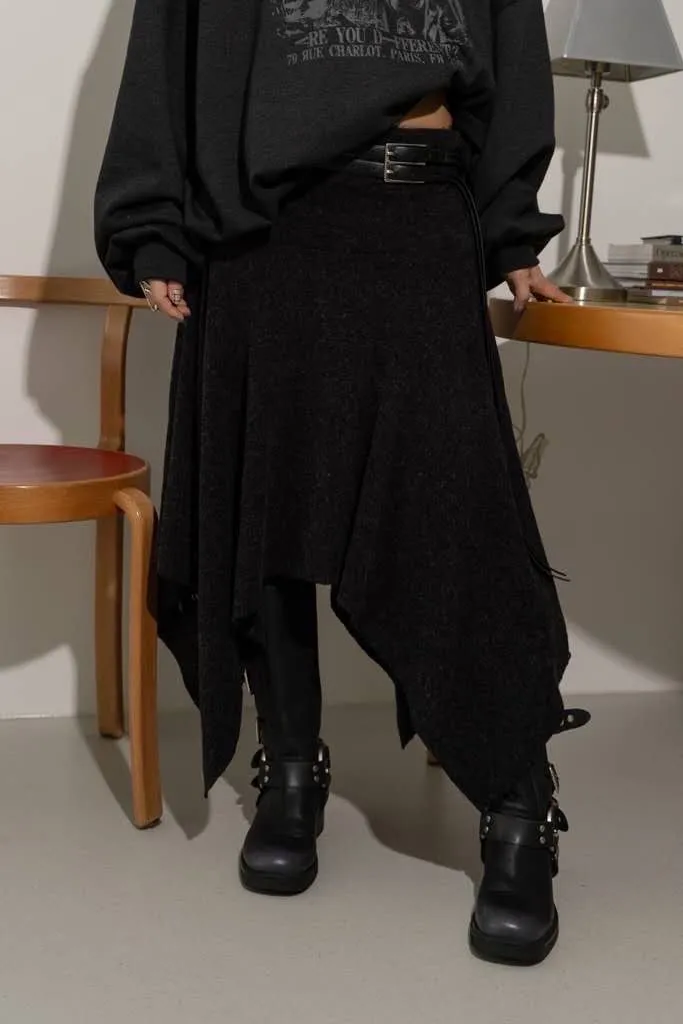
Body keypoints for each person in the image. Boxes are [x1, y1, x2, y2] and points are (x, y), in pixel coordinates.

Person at [95, 0, 590, 966]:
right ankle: (289, 766)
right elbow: (165, 46)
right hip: (262, 232)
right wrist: (152, 228)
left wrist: (510, 231)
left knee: (456, 520)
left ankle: (517, 796)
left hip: (417, 218)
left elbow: (511, 48)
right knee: (266, 516)